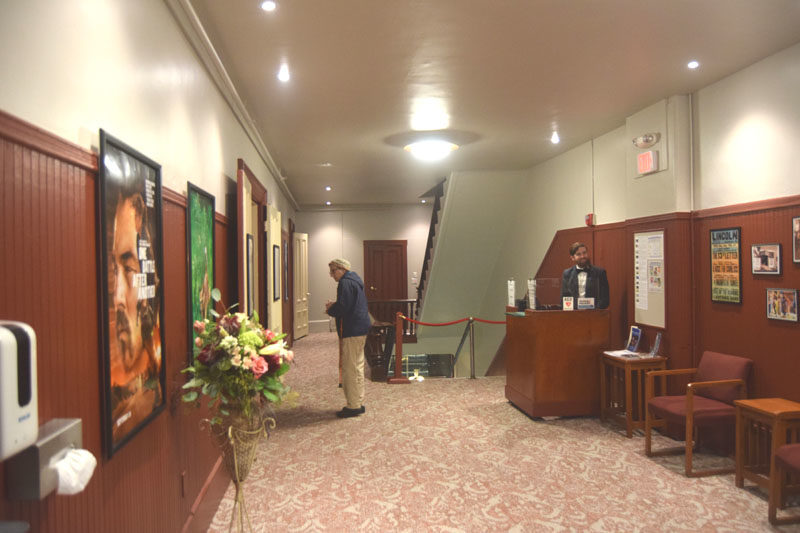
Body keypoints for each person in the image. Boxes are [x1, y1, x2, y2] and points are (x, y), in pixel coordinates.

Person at [107, 168, 163, 441]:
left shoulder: (154, 384)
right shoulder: (118, 395)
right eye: (114, 269)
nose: (117, 297)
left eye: (128, 268)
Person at [325, 258, 371, 418]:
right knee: (357, 365)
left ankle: (353, 406)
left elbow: (343, 307)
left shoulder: (345, 283)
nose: (331, 275)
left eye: (333, 271)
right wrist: (336, 306)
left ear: (342, 269)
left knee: (350, 368)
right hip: (360, 327)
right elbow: (348, 304)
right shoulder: (355, 280)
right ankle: (357, 401)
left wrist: (331, 309)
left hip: (352, 329)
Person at [560, 241, 609, 309]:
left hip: (594, 315)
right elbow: (564, 298)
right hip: (574, 315)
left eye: (584, 253)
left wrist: (594, 311)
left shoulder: (600, 273)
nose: (583, 256)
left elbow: (605, 299)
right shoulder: (567, 274)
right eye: (578, 254)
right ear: (572, 257)